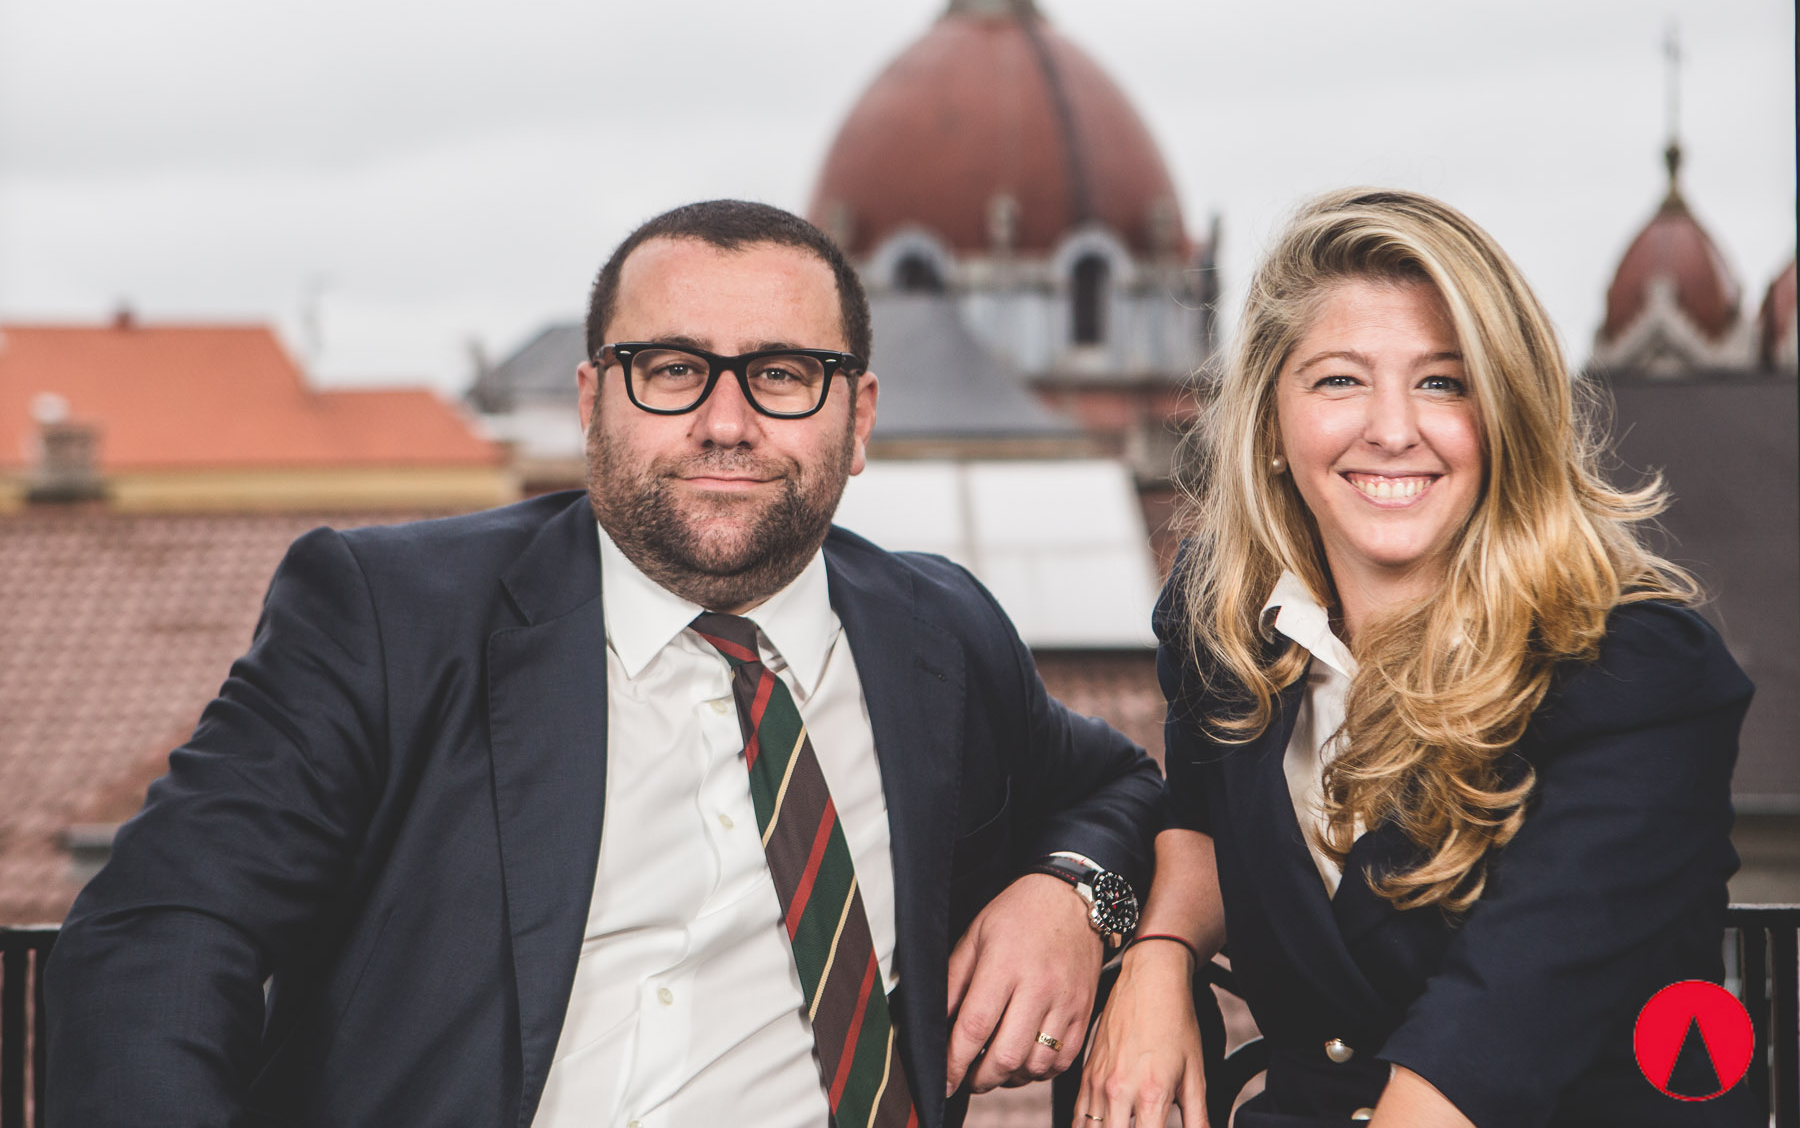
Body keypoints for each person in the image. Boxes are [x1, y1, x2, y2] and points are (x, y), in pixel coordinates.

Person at [45, 200, 1163, 1128]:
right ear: (592, 403)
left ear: (858, 417)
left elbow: (1118, 789)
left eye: (783, 373)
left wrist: (1073, 895)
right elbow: (160, 932)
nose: (725, 421)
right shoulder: (392, 617)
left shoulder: (937, 632)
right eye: (671, 369)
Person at [1077, 188, 1754, 1127]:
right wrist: (1158, 958)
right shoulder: (1223, 614)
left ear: (1507, 415)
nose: (1392, 429)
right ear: (1270, 425)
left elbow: (1479, 1059)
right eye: (1338, 381)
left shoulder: (1637, 671)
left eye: (1442, 382)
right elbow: (1200, 817)